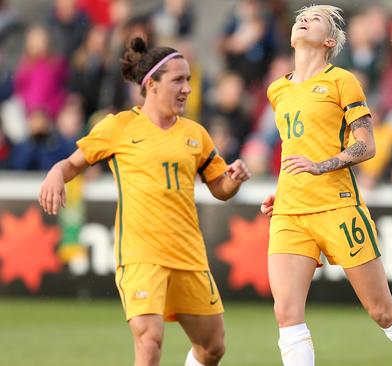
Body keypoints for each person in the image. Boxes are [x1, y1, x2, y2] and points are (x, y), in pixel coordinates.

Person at [38, 37, 251, 366]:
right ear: (151, 83)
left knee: (213, 348)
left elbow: (219, 188)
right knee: (149, 341)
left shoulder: (196, 134)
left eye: (189, 80)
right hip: (141, 256)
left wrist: (232, 180)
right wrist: (55, 172)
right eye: (178, 80)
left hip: (188, 255)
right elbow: (72, 164)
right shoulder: (119, 127)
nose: (187, 89)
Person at [259, 5, 392, 366]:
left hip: (338, 207)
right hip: (290, 212)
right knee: (286, 313)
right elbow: (296, 149)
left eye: (315, 19)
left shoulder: (342, 80)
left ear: (328, 40)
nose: (303, 20)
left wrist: (320, 166)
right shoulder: (277, 89)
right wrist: (288, 187)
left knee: (382, 311)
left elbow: (366, 145)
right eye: (300, 18)